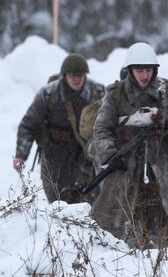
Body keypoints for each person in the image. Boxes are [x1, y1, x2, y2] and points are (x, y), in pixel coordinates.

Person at [91, 42, 168, 249]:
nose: (144, 76)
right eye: (140, 70)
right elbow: (101, 129)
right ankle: (105, 249)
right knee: (113, 211)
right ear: (130, 70)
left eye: (148, 70)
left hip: (163, 156)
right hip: (125, 159)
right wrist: (111, 155)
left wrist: (166, 119)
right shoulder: (115, 93)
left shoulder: (167, 89)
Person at [13, 53, 105, 203]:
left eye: (79, 75)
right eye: (72, 75)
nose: (76, 79)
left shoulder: (98, 92)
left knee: (89, 202)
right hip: (54, 154)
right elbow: (29, 124)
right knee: (57, 202)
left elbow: (110, 123)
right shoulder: (48, 94)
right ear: (64, 75)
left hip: (86, 154)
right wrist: (20, 155)